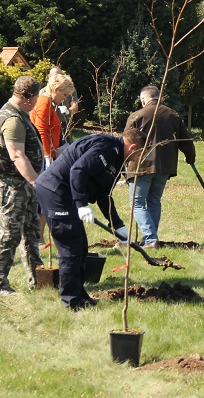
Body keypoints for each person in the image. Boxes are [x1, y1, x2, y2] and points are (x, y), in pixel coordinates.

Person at [35, 129, 141, 310]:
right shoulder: (106, 148)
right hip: (55, 191)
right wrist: (81, 204)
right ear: (132, 147)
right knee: (71, 249)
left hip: (65, 194)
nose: (141, 158)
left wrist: (118, 225)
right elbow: (78, 170)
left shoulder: (116, 158)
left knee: (81, 248)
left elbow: (103, 194)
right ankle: (71, 301)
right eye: (142, 153)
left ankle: (79, 294)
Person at [0, 76, 46, 294]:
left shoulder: (20, 114)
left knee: (32, 232)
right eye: (38, 96)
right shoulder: (12, 120)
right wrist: (37, 182)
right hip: (12, 185)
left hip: (24, 185)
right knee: (8, 234)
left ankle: (39, 281)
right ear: (30, 98)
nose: (39, 100)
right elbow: (17, 156)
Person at [123, 85, 196, 248]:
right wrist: (190, 158)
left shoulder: (137, 116)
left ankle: (150, 238)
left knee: (137, 203)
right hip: (164, 166)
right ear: (160, 98)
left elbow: (126, 143)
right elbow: (186, 141)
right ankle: (151, 238)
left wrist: (121, 164)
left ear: (143, 100)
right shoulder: (173, 115)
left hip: (141, 166)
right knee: (154, 201)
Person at [31, 73, 75, 167]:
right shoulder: (44, 102)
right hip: (43, 156)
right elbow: (41, 130)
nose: (64, 98)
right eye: (64, 94)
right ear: (56, 90)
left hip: (47, 153)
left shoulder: (48, 102)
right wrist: (47, 157)